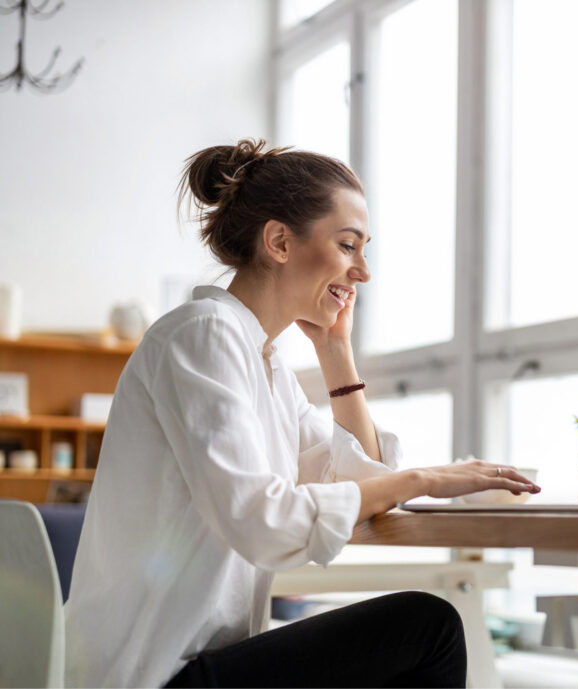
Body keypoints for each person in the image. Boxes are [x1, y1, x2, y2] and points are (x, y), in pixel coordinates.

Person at [63, 138, 541, 688]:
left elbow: (360, 476)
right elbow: (262, 521)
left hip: (198, 664)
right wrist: (426, 479)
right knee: (426, 628)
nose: (362, 271)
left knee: (418, 631)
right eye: (348, 246)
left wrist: (336, 355)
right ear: (279, 242)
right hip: (148, 675)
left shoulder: (261, 362)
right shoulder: (202, 334)